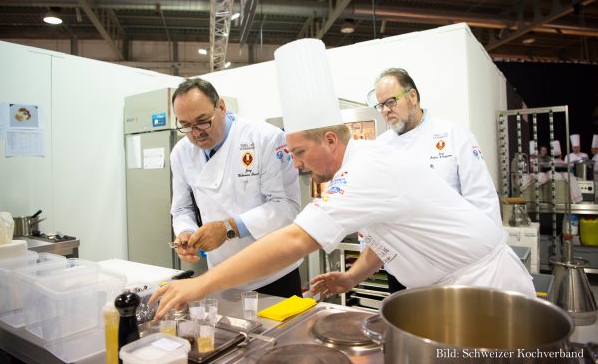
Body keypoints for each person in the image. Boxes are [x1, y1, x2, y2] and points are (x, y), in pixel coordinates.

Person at [149, 39, 535, 319]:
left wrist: (198, 285)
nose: (297, 165)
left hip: (484, 288)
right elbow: (387, 238)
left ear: (330, 139)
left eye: (299, 153)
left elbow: (296, 238)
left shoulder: (364, 170)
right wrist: (351, 277)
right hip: (450, 288)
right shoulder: (363, 163)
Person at [367, 67, 501, 293]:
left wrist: (485, 266)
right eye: (380, 106)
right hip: (401, 269)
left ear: (412, 96)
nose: (386, 111)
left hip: (449, 269)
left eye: (391, 102)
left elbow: (482, 201)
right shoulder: (380, 147)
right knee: (402, 326)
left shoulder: (453, 135)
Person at [169, 78, 302, 297]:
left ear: (221, 106)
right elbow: (181, 209)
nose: (196, 132)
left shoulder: (265, 138)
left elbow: (286, 206)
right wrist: (186, 233)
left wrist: (229, 228)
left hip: (274, 275)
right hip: (222, 276)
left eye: (203, 121)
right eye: (185, 125)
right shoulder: (181, 153)